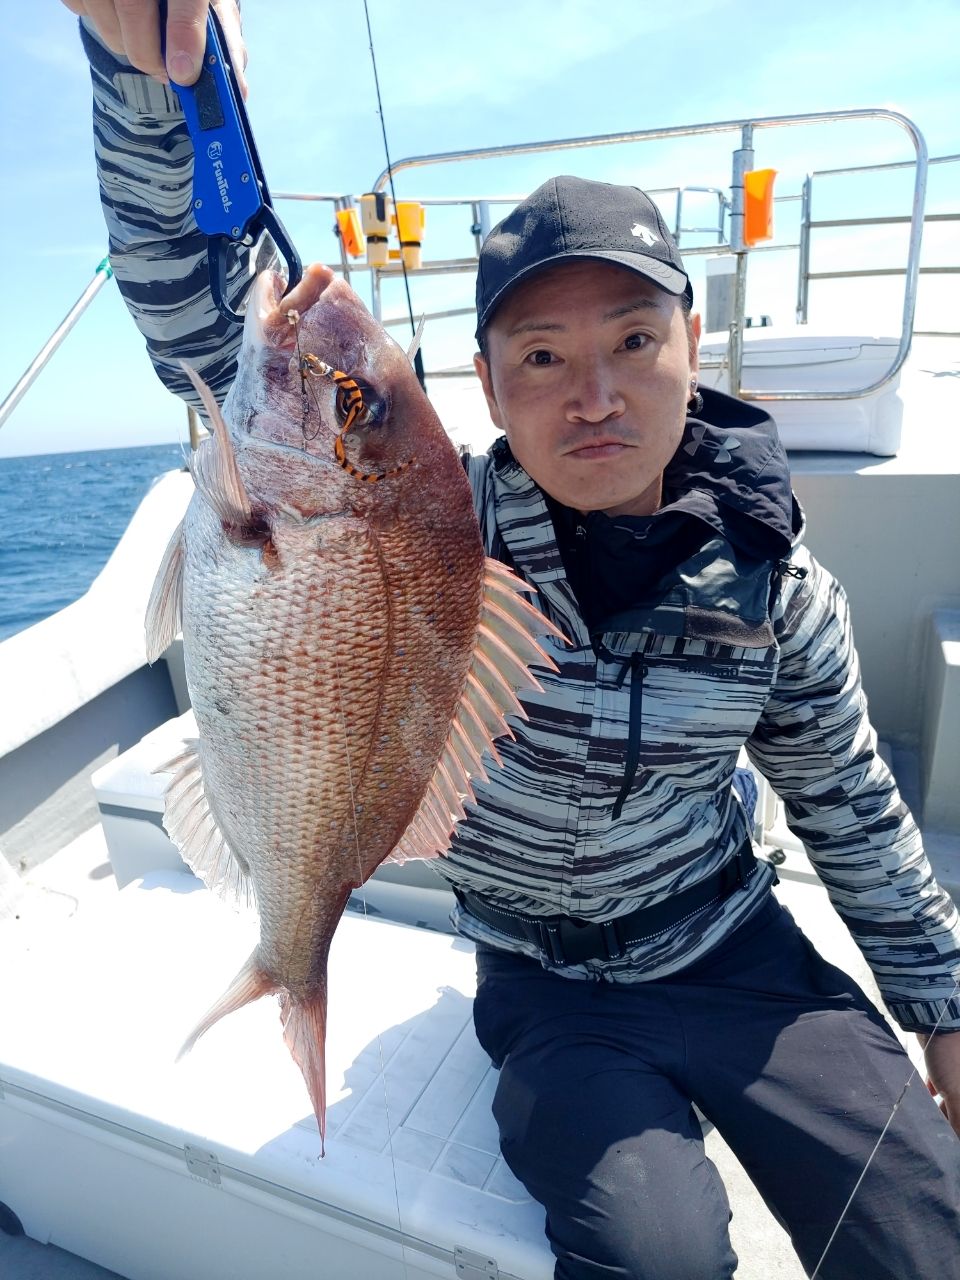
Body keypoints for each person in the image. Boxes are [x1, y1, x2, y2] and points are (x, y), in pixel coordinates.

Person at [65, 4, 960, 1276]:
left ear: (693, 348)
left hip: (734, 944)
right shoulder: (438, 527)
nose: (594, 395)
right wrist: (151, 86)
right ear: (485, 385)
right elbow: (200, 324)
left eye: (634, 343)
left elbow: (856, 811)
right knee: (655, 1257)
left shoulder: (776, 583)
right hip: (547, 988)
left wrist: (944, 1011)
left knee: (927, 1231)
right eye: (542, 355)